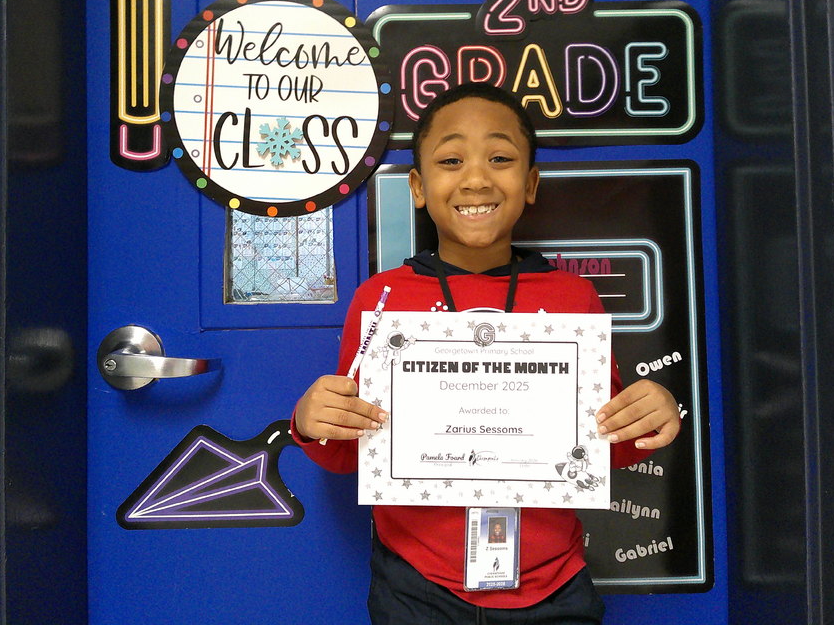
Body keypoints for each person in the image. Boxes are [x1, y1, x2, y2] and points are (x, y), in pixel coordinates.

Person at [292, 82, 681, 624]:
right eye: (451, 160)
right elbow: (347, 450)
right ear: (418, 187)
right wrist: (312, 422)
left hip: (553, 581)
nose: (476, 177)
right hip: (415, 583)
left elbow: (605, 445)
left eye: (500, 158)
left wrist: (650, 415)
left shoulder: (574, 298)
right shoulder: (381, 298)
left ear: (531, 183)